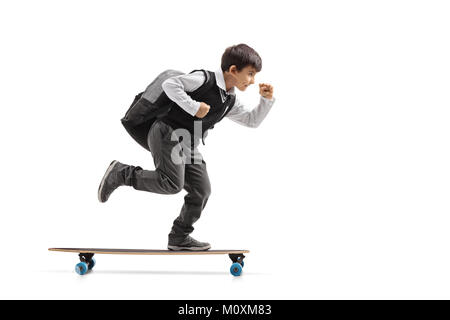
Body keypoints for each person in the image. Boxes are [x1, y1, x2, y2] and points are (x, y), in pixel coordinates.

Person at [97, 43, 275, 250]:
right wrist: (193, 107)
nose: (253, 81)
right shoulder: (203, 79)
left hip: (188, 143)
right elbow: (170, 85)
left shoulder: (229, 99)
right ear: (233, 70)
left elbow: (251, 121)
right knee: (171, 183)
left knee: (201, 191)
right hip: (168, 132)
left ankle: (179, 237)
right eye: (250, 74)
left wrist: (266, 100)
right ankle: (121, 173)